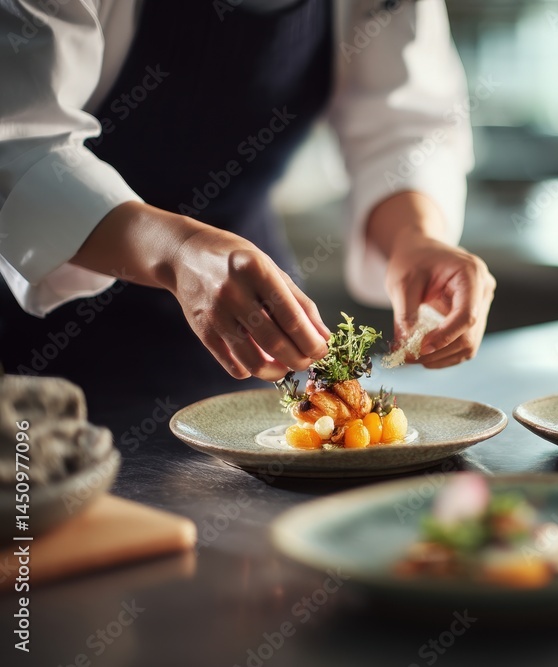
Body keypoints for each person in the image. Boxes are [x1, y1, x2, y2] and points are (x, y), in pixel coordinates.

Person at [0, 0, 495, 403]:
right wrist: (176, 251)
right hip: (41, 330)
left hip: (251, 317)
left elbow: (401, 126)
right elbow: (17, 139)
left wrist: (414, 237)